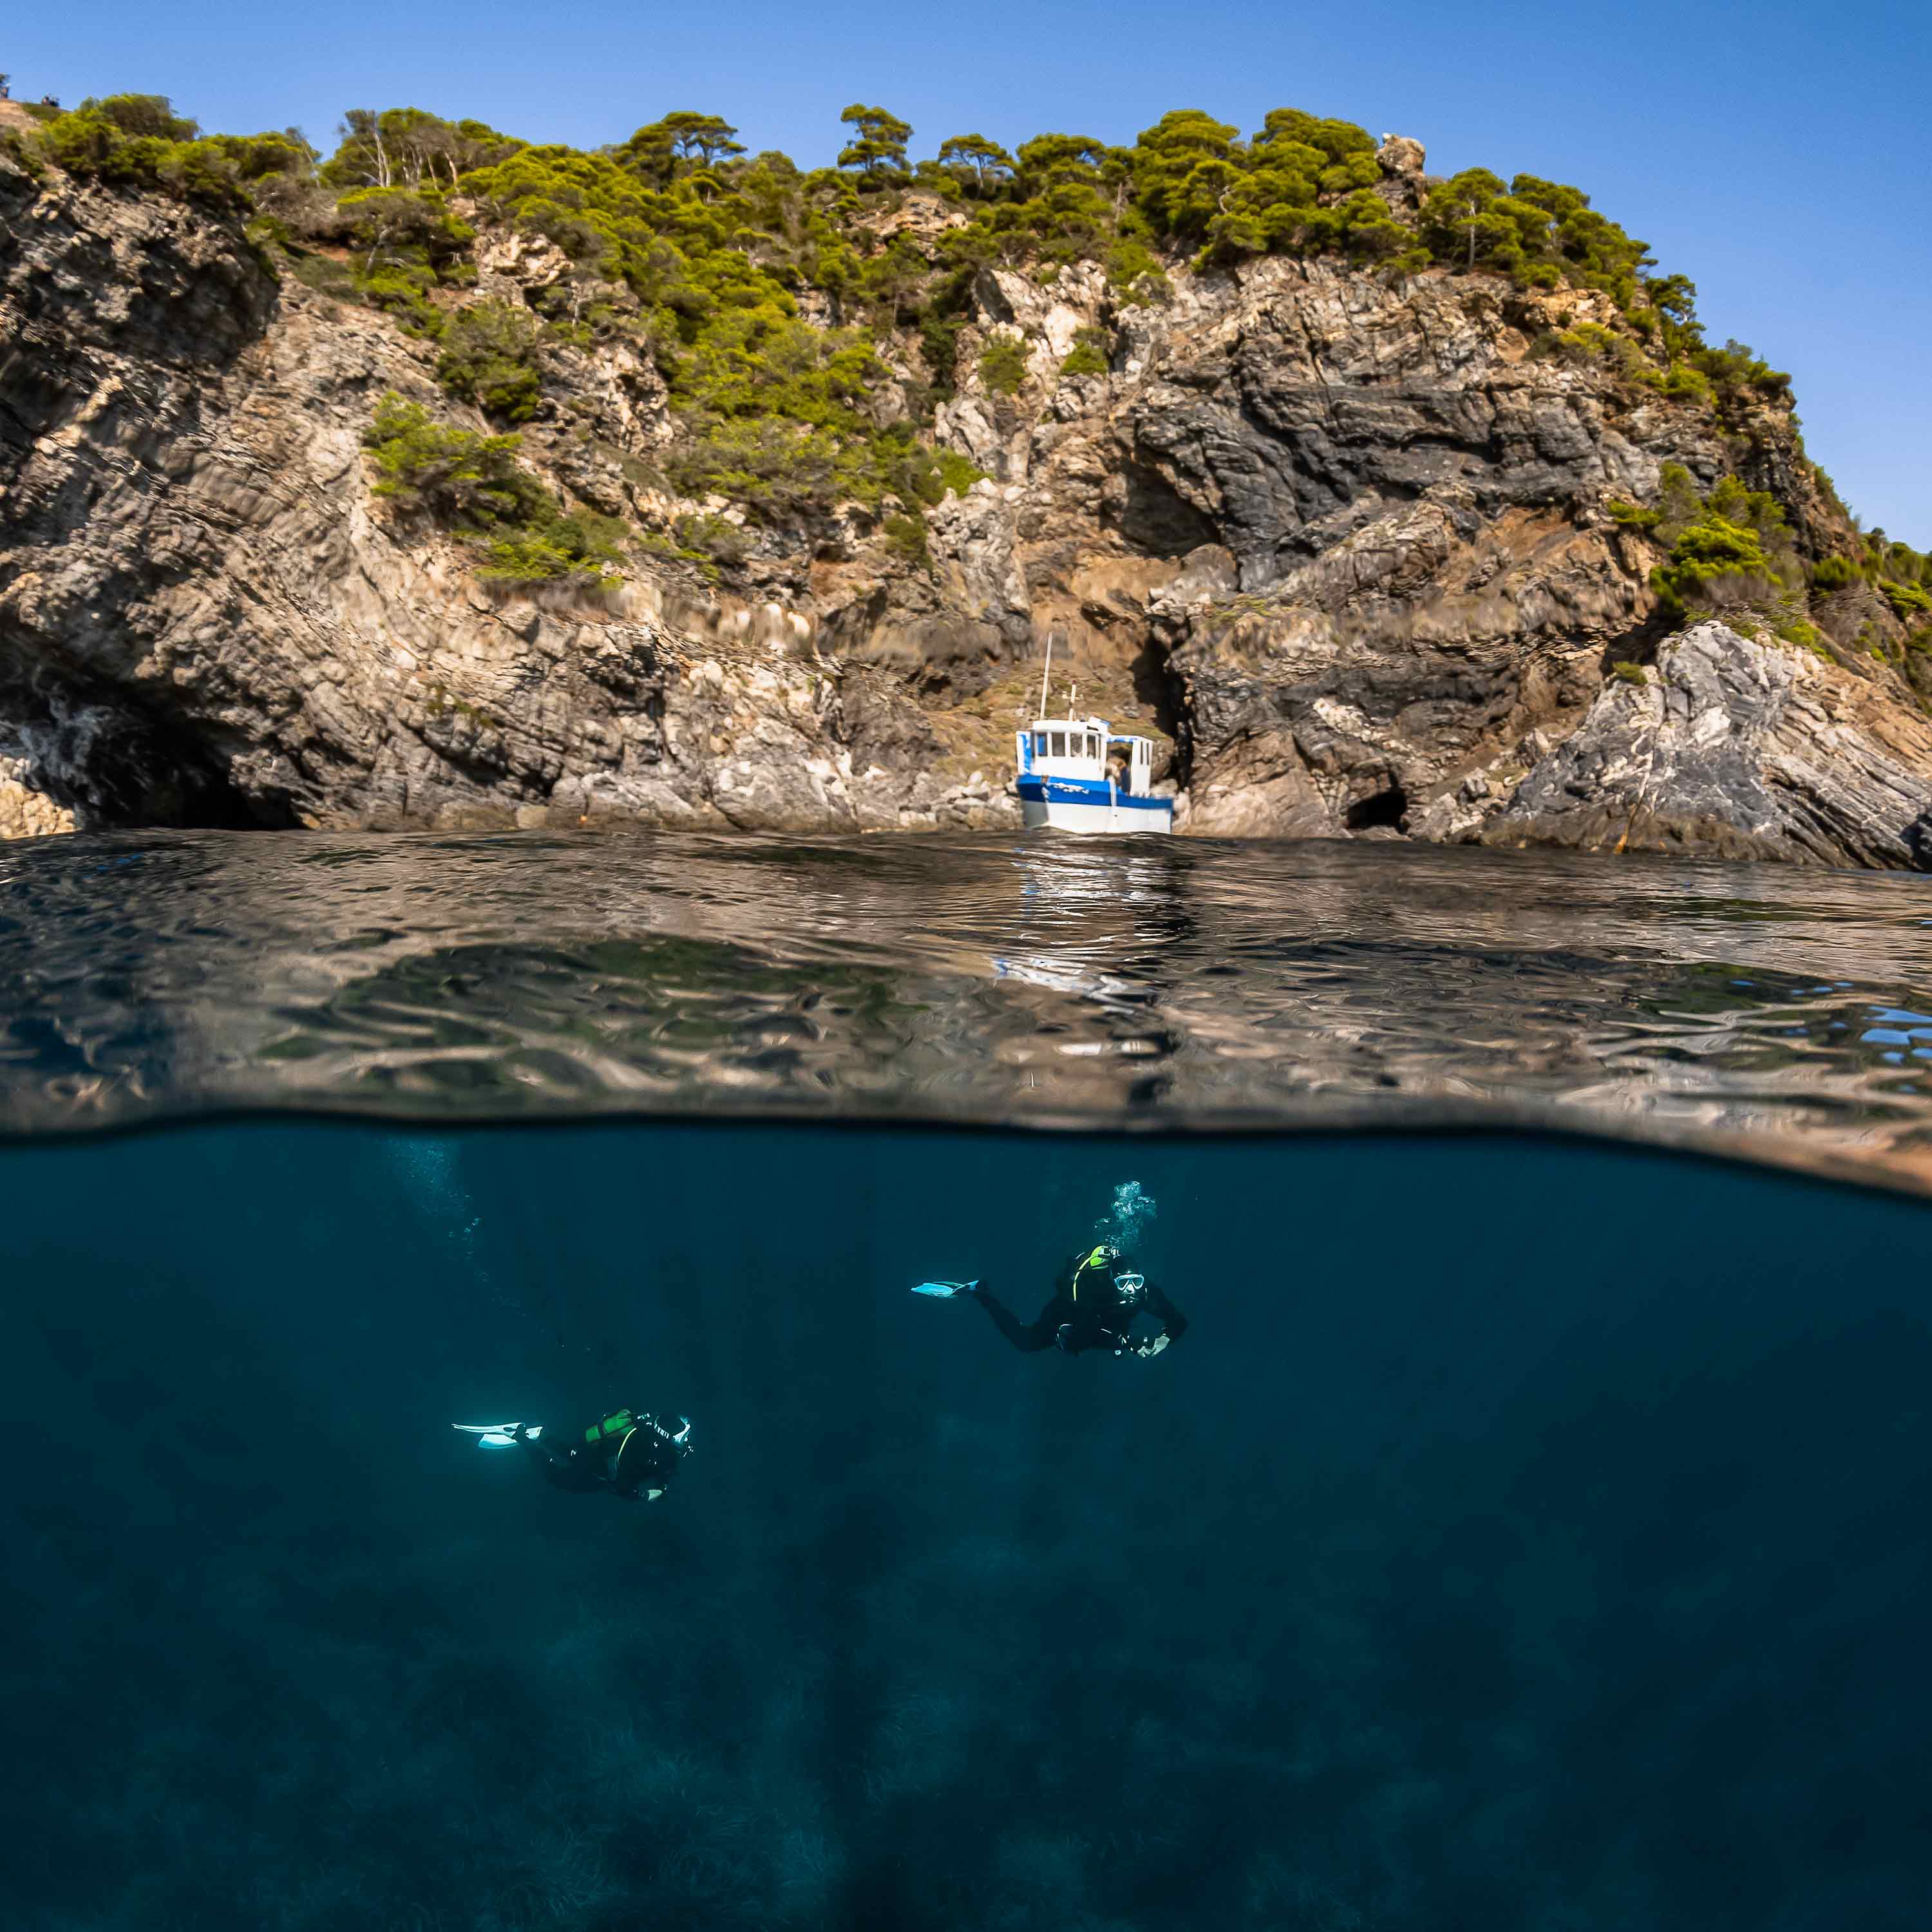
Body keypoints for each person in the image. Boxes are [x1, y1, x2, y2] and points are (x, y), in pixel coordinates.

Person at [926, 1244, 1186, 1358]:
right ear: (1111, 1280)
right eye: (1123, 1283)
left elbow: (1178, 1321)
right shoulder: (1095, 1290)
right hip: (1068, 1315)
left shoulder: (1145, 1292)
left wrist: (1164, 1340)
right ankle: (981, 1293)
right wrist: (1125, 1342)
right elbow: (1080, 1335)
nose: (1131, 1289)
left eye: (1136, 1281)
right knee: (1026, 1342)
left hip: (1104, 1328)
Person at [513, 1406, 692, 1501]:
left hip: (598, 1462)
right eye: (684, 1435)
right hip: (600, 1470)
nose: (686, 1440)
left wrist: (662, 1488)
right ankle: (521, 1437)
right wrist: (643, 1496)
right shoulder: (644, 1445)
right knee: (558, 1478)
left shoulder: (666, 1453)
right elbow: (621, 1485)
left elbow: (664, 1472)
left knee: (570, 1456)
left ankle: (541, 1435)